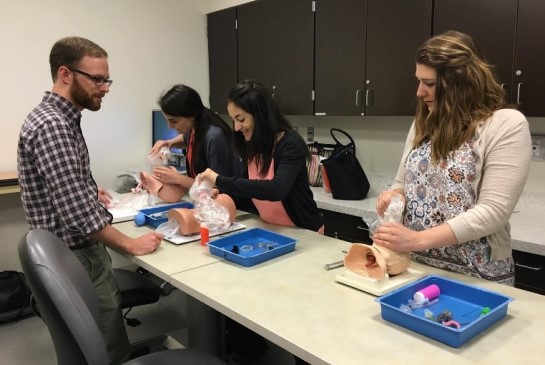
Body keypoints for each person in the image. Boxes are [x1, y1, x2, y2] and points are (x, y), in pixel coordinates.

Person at [17, 36, 164, 365]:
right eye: (97, 79)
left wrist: (85, 187)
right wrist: (130, 245)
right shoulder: (53, 125)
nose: (105, 87)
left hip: (70, 251)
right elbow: (79, 215)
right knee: (104, 347)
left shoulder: (58, 118)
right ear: (66, 74)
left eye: (106, 79)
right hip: (78, 256)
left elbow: (64, 189)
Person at [373, 31, 532, 286]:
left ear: (462, 82)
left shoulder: (505, 125)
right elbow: (400, 181)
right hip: (416, 267)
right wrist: (395, 196)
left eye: (430, 84)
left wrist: (416, 240)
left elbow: (493, 212)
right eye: (419, 81)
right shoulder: (422, 124)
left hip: (477, 276)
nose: (419, 92)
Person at [198, 80, 324, 233]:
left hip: (303, 231)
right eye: (233, 120)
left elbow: (276, 189)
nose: (237, 127)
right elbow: (249, 193)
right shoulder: (250, 144)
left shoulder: (290, 144)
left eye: (241, 119)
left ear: (261, 115)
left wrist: (219, 179)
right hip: (270, 228)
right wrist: (224, 194)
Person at [149, 84, 240, 192]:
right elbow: (186, 139)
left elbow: (219, 188)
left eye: (174, 121)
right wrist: (169, 143)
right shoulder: (195, 126)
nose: (170, 126)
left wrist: (179, 179)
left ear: (192, 115)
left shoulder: (215, 137)